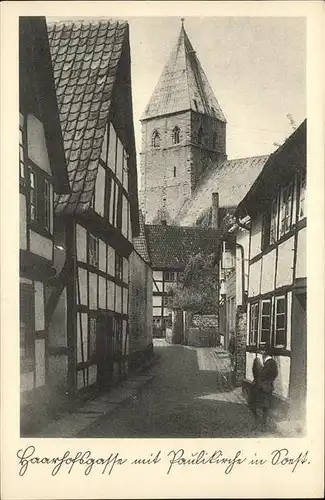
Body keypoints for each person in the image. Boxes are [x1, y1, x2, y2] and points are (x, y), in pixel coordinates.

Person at [248, 345, 278, 430]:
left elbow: (274, 374)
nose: (262, 352)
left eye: (263, 351)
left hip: (266, 387)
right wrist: (257, 381)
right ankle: (256, 420)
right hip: (256, 386)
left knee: (265, 406)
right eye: (261, 351)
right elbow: (254, 371)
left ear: (267, 353)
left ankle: (263, 424)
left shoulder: (271, 362)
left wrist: (268, 382)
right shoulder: (257, 360)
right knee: (251, 404)